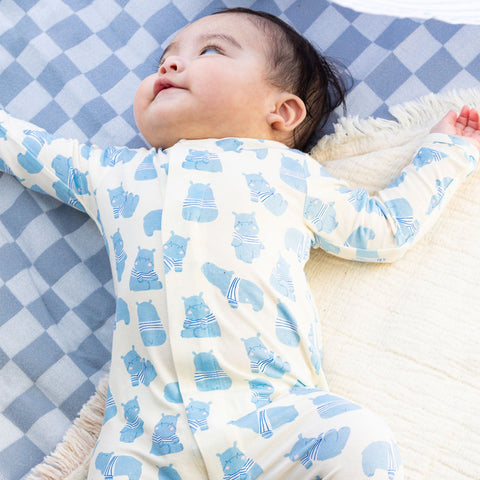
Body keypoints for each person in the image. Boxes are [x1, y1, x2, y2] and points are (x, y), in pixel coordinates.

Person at [0, 7, 479, 480]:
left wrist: (446, 151)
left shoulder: (291, 175)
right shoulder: (118, 173)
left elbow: (383, 227)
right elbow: (33, 151)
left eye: (210, 51)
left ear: (282, 112)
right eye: (162, 60)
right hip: (145, 437)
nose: (168, 65)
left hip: (266, 413)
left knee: (358, 439)